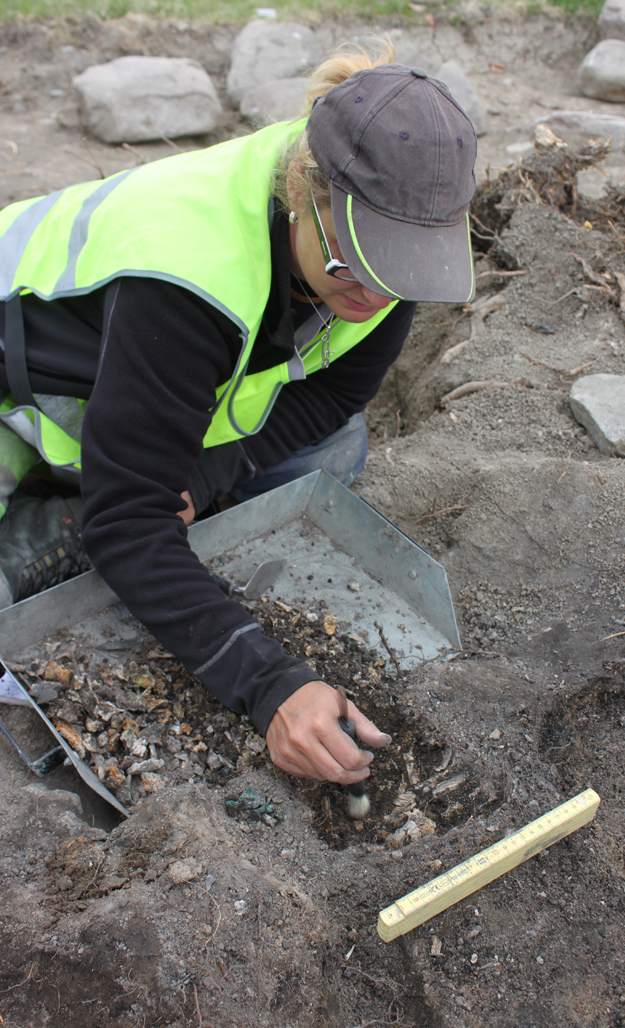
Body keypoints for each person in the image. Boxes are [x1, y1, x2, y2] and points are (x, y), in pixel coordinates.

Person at [0, 43, 477, 791]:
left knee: (334, 449)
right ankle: (48, 526)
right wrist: (271, 685)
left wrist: (203, 473)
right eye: (353, 260)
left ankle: (106, 496)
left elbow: (331, 398)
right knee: (108, 536)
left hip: (147, 396)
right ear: (304, 191)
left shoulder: (389, 249)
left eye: (398, 269)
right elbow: (130, 525)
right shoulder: (190, 275)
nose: (375, 294)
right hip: (26, 395)